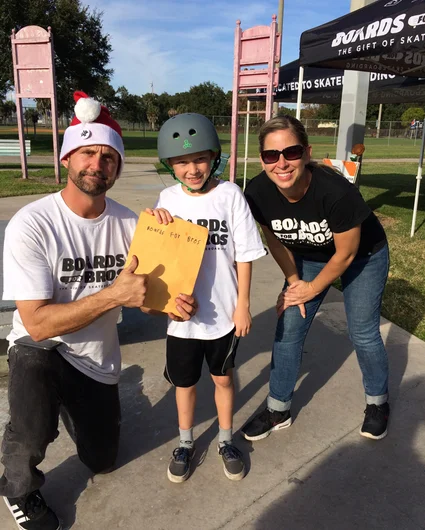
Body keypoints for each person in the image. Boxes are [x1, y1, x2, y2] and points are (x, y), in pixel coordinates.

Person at [1, 91, 197, 530]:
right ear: (68, 158)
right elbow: (35, 321)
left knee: (103, 460)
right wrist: (113, 296)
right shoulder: (33, 224)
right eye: (87, 153)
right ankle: (19, 486)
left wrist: (174, 304)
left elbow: (148, 294)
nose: (97, 164)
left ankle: (72, 407)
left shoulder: (131, 224)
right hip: (44, 348)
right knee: (32, 394)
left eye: (109, 157)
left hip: (96, 361)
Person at [241, 115, 390, 444]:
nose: (281, 163)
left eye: (290, 152)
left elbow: (346, 255)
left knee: (363, 332)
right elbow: (275, 240)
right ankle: (278, 408)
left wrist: (312, 287)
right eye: (270, 155)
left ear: (306, 153)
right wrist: (295, 282)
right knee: (289, 325)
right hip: (308, 258)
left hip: (362, 256)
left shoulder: (336, 192)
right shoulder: (257, 191)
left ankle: (378, 402)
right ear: (262, 159)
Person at [151, 113, 266, 483]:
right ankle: (185, 443)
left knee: (222, 380)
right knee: (184, 384)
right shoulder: (168, 197)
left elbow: (245, 253)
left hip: (223, 315)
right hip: (182, 318)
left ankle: (225, 439)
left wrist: (243, 304)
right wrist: (157, 225)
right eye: (182, 162)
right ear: (171, 165)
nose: (192, 168)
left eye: (200, 158)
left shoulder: (230, 194)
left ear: (215, 156)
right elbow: (160, 253)